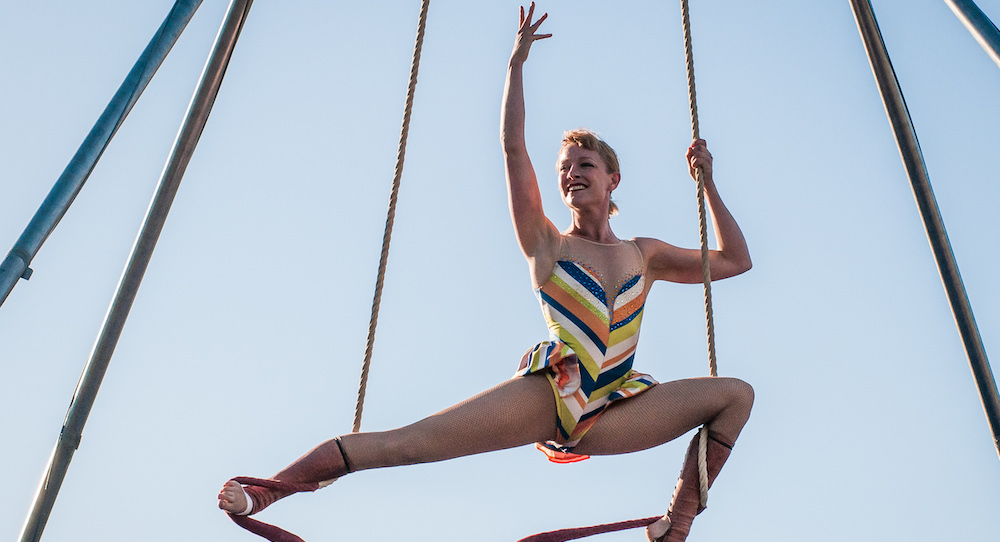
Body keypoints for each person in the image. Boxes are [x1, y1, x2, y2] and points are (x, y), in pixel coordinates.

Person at [219, 4, 753, 541]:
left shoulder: (647, 254)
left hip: (616, 403)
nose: (571, 175)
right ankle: (269, 490)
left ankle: (675, 524)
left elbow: (735, 261)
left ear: (613, 177)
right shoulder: (547, 243)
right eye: (564, 168)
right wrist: (516, 64)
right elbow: (513, 148)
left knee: (737, 395)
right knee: (404, 443)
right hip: (552, 393)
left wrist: (706, 182)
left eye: (584, 165)